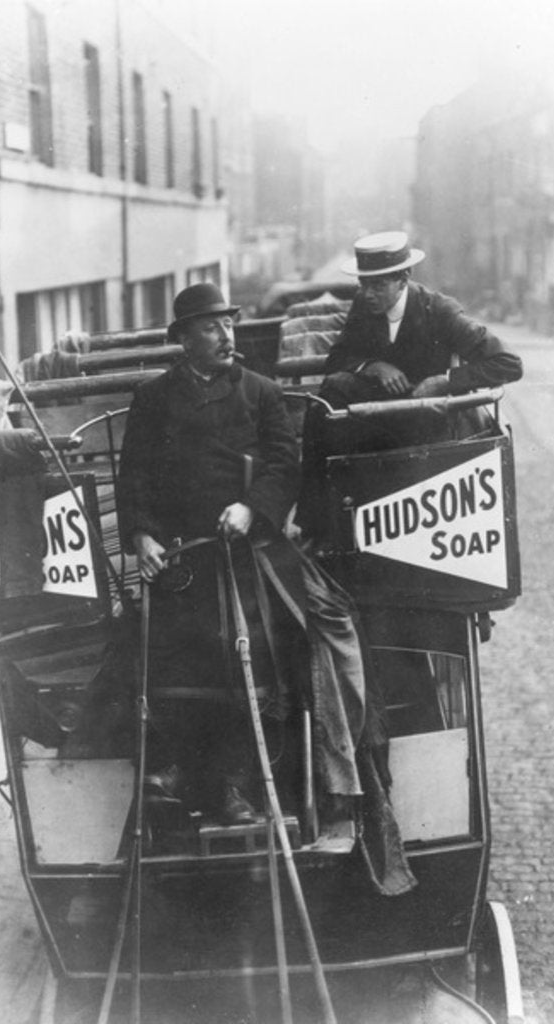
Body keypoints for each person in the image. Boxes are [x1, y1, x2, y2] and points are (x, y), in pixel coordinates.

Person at [116, 285, 392, 861]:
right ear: (185, 339)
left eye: (229, 325)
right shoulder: (154, 399)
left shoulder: (262, 393)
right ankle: (191, 779)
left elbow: (283, 462)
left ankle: (275, 787)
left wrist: (253, 508)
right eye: (212, 328)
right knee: (174, 664)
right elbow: (135, 475)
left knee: (286, 650)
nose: (226, 336)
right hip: (182, 559)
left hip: (253, 554)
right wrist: (140, 536)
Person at [297, 230, 523, 538]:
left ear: (404, 280)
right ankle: (315, 526)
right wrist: (373, 366)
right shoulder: (364, 306)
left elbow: (509, 363)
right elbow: (336, 360)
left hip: (428, 429)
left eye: (378, 285)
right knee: (325, 404)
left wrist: (444, 382)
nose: (368, 293)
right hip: (377, 423)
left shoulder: (440, 312)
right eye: (364, 284)